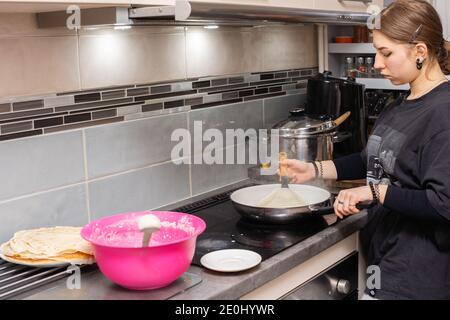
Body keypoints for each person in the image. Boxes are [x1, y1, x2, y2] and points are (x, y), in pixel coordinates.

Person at [281, 0, 450, 300]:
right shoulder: (399, 106)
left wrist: (373, 193)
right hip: (385, 262)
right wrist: (315, 169)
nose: (376, 64)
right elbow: (370, 160)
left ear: (420, 52)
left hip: (418, 279)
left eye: (386, 53)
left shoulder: (443, 112)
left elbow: (442, 204)